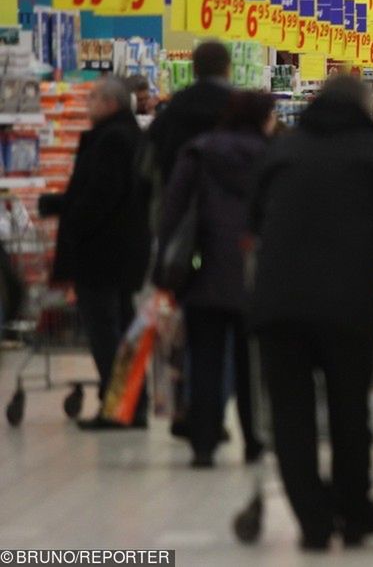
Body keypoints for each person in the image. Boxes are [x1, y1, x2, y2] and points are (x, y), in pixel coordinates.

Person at [248, 76, 373, 552]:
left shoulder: (283, 148)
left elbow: (253, 214)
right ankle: (355, 515)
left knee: (290, 415)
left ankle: (313, 522)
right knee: (349, 412)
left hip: (278, 303)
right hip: (348, 302)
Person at [158, 92, 275, 468]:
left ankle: (203, 443)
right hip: (255, 272)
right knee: (251, 363)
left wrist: (165, 263)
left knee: (205, 359)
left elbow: (172, 211)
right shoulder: (274, 156)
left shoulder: (199, 151)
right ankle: (254, 439)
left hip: (203, 269)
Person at [42, 78, 151, 430]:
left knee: (106, 333)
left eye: (91, 99)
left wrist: (73, 224)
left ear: (110, 103)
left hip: (102, 252)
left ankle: (118, 407)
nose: (87, 105)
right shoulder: (131, 136)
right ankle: (133, 404)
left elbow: (99, 196)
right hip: (125, 250)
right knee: (122, 330)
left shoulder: (111, 139)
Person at [149, 41, 233, 184]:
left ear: (194, 69)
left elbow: (151, 158)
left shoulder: (174, 106)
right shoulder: (239, 107)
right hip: (227, 195)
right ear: (228, 69)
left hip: (179, 191)